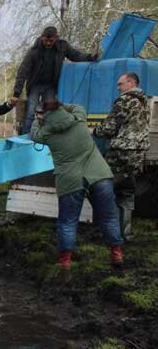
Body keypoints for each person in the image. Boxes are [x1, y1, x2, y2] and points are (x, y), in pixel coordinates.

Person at [31, 99, 123, 269]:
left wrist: (38, 119)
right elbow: (78, 106)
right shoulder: (79, 118)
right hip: (99, 174)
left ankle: (65, 261)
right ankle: (116, 253)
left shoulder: (46, 133)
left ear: (46, 115)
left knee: (68, 221)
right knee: (109, 217)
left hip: (70, 179)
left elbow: (33, 134)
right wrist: (61, 105)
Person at [93, 72, 151, 239]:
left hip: (120, 152)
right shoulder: (145, 101)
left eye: (120, 84)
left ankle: (107, 232)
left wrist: (94, 130)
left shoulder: (124, 100)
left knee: (103, 189)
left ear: (131, 83)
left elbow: (109, 128)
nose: (118, 88)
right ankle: (125, 232)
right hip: (138, 154)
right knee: (126, 192)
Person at [11, 26, 97, 135]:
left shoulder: (62, 46)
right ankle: (26, 137)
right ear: (42, 37)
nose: (48, 43)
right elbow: (23, 71)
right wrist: (16, 93)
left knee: (49, 112)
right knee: (31, 111)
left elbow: (76, 55)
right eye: (46, 40)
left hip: (51, 86)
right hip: (35, 85)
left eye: (51, 41)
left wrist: (90, 57)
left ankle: (47, 136)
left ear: (56, 38)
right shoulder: (34, 51)